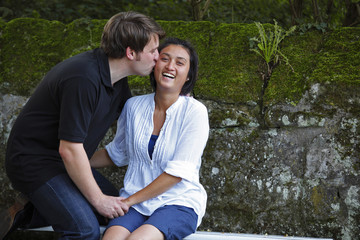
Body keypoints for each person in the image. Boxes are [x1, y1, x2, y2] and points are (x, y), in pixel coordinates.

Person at [1, 11, 165, 240]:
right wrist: (98, 200)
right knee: (83, 230)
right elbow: (69, 149)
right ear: (130, 53)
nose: (158, 57)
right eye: (152, 51)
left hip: (65, 163)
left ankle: (29, 213)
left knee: (122, 212)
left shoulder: (117, 79)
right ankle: (45, 206)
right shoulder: (83, 78)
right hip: (34, 163)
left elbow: (138, 123)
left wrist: (179, 104)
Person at [90, 37, 209, 240]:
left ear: (188, 75)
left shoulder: (195, 112)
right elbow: (117, 153)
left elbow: (177, 174)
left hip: (178, 202)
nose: (170, 66)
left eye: (180, 63)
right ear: (155, 64)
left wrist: (128, 201)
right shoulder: (133, 107)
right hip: (135, 203)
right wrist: (73, 160)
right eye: (165, 58)